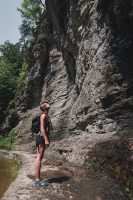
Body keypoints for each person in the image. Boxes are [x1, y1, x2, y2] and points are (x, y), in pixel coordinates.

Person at [33, 101, 52, 186]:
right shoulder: (43, 115)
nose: (49, 104)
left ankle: (38, 178)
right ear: (45, 107)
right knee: (39, 157)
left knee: (39, 157)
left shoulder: (46, 115)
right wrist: (46, 139)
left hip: (40, 137)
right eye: (47, 104)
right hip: (41, 138)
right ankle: (37, 180)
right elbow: (42, 128)